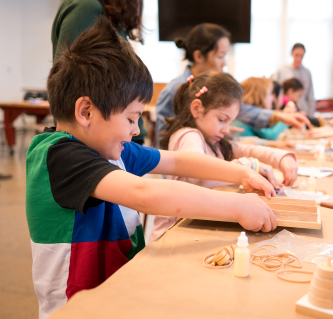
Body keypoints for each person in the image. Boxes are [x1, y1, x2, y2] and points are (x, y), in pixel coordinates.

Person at [27, 18, 277, 319]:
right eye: (131, 118)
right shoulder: (58, 154)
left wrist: (241, 174)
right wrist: (237, 205)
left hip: (118, 293)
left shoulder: (111, 150)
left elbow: (177, 160)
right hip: (78, 309)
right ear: (86, 111)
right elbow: (144, 193)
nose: (135, 131)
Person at [150, 72, 298, 242]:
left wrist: (281, 158)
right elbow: (199, 174)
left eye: (230, 122)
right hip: (171, 236)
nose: (227, 129)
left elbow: (245, 149)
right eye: (222, 119)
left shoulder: (213, 139)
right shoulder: (188, 135)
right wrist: (250, 167)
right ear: (197, 109)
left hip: (194, 229)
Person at [155, 24, 310, 147]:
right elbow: (166, 144)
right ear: (198, 56)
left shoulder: (214, 86)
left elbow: (243, 110)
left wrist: (278, 116)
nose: (224, 62)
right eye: (220, 56)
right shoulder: (175, 89)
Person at [51, 0, 148, 145]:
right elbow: (71, 82)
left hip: (121, 138)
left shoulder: (107, 11)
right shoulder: (86, 7)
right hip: (95, 143)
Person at [232, 77, 290, 142]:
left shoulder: (246, 114)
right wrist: (286, 118)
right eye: (269, 93)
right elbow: (271, 136)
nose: (272, 98)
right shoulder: (251, 117)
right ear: (258, 96)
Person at [273, 43, 316, 117]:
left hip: (303, 110)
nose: (299, 59)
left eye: (301, 56)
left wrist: (310, 114)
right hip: (286, 110)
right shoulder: (282, 70)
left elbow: (310, 95)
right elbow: (275, 91)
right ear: (291, 54)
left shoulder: (307, 72)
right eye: (296, 55)